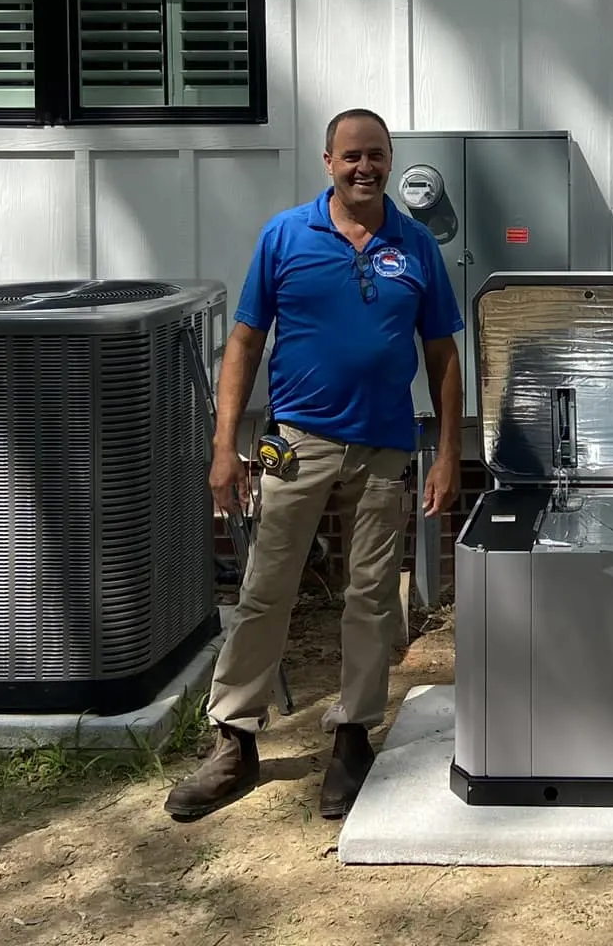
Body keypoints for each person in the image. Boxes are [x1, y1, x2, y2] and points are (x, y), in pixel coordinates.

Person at [166, 108, 464, 822]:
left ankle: (353, 737)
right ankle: (234, 739)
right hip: (297, 443)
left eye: (377, 155)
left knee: (371, 596)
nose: (365, 167)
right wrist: (223, 446)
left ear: (390, 161)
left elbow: (442, 354)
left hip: (386, 446)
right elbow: (244, 343)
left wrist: (450, 452)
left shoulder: (416, 245)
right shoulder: (285, 236)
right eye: (351, 155)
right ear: (328, 162)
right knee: (267, 588)